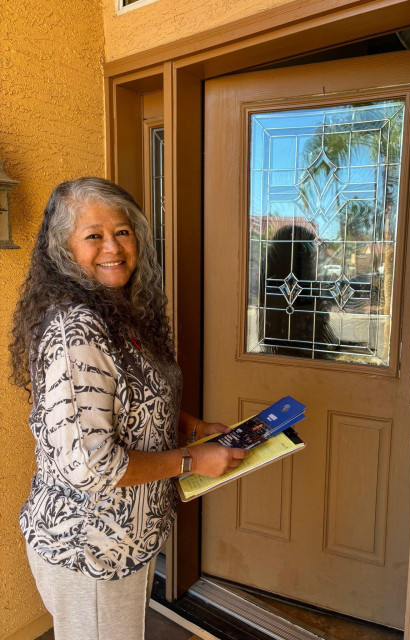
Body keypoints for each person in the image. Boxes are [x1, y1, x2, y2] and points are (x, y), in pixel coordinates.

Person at [9, 177, 249, 640]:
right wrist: (192, 460)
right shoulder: (76, 330)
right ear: (63, 249)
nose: (112, 247)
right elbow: (93, 467)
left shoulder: (119, 311)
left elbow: (139, 395)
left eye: (122, 231)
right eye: (93, 235)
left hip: (124, 542)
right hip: (90, 550)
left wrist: (194, 427)